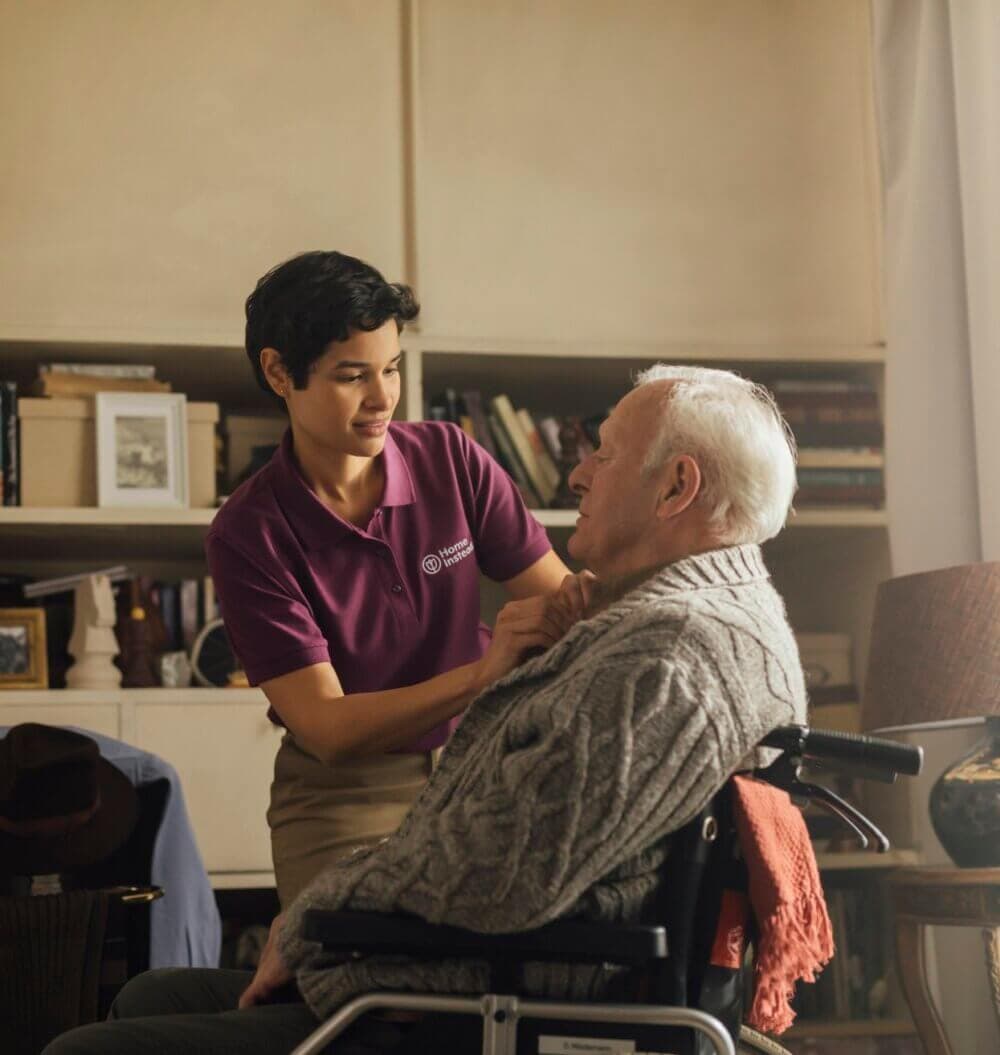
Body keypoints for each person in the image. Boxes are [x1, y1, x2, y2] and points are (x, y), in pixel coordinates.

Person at [45, 364, 807, 1055]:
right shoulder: (707, 619)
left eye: (602, 454)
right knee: (152, 993)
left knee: (87, 1046)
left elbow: (506, 870)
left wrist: (315, 914)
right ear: (283, 376)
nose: (577, 473)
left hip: (496, 999)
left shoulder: (667, 656)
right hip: (495, 952)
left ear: (676, 488)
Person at [204, 251, 576, 907]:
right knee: (350, 988)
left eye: (392, 369)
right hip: (345, 796)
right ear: (278, 371)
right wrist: (482, 675)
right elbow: (328, 727)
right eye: (353, 376)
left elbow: (567, 607)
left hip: (486, 763)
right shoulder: (248, 532)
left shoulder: (452, 459)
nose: (383, 398)